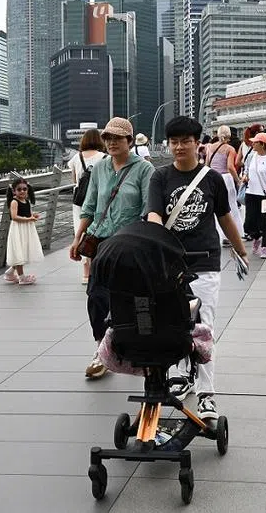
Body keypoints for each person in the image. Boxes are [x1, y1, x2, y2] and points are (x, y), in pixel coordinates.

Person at [147, 116, 250, 421]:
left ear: (197, 143)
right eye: (174, 141)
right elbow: (153, 213)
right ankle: (183, 378)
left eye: (185, 141)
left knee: (202, 328)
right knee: (174, 325)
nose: (179, 147)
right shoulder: (160, 178)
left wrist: (241, 251)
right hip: (171, 264)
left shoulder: (211, 179)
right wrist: (156, 241)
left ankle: (207, 394)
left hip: (204, 261)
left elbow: (225, 217)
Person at [70, 117, 154, 379]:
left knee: (130, 299)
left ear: (130, 140)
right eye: (108, 138)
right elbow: (91, 205)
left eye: (118, 138)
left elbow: (147, 209)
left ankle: (133, 349)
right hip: (103, 241)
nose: (112, 143)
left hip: (130, 242)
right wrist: (78, 237)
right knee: (96, 296)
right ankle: (102, 350)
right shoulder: (100, 168)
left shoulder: (144, 169)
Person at [68, 129, 107, 285]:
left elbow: (74, 179)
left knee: (81, 229)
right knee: (97, 229)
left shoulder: (76, 158)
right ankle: (97, 264)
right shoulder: (105, 157)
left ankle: (86, 269)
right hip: (99, 199)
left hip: (80, 201)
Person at [242, 132, 266, 259]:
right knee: (249, 223)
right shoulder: (251, 156)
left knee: (265, 221)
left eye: (255, 142)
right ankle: (256, 237)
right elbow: (246, 171)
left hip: (265, 195)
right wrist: (245, 177)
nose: (253, 144)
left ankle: (265, 246)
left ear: (262, 144)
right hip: (251, 193)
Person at [206, 125, 243, 246]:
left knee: (215, 207)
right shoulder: (230, 149)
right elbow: (230, 167)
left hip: (212, 177)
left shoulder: (210, 147)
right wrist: (238, 180)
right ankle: (231, 235)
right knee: (230, 206)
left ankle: (218, 234)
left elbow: (207, 165)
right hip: (225, 178)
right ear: (229, 135)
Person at [4, 178, 42, 285]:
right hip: (18, 229)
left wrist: (32, 216)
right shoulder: (14, 202)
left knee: (23, 251)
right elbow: (14, 217)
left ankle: (10, 272)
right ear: (14, 191)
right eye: (19, 189)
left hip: (26, 228)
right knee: (19, 252)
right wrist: (29, 219)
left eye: (24, 189)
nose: (22, 191)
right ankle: (21, 277)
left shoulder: (26, 201)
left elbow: (27, 214)